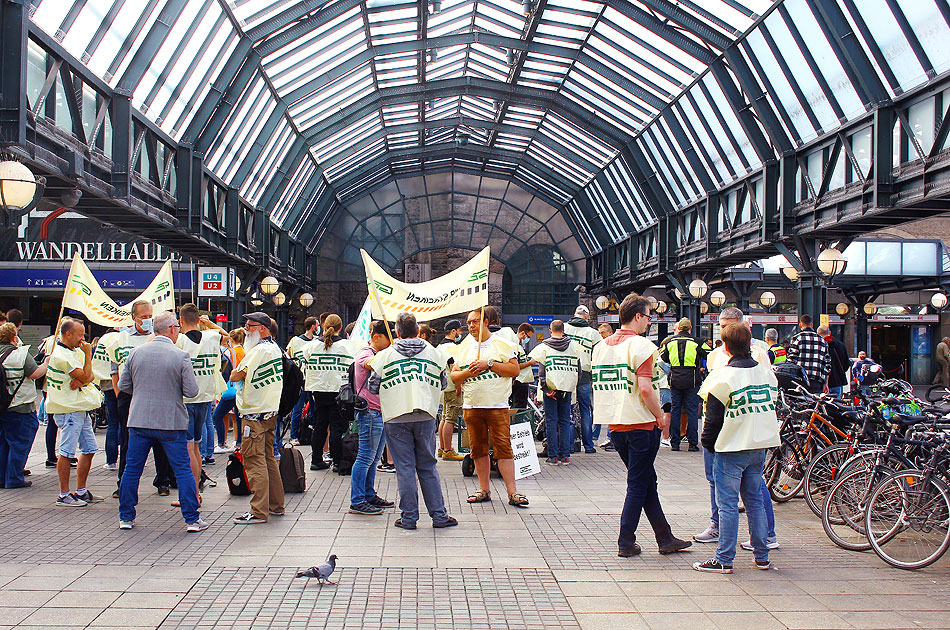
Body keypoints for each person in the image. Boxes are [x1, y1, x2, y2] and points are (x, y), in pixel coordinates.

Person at [591, 293, 691, 557]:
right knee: (638, 483)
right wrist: (660, 416)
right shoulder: (643, 346)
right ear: (637, 316)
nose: (649, 321)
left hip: (616, 425)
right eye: (648, 316)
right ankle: (626, 541)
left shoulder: (601, 347)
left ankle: (665, 537)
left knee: (647, 480)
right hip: (642, 424)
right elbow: (646, 388)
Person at [694, 323, 781, 573]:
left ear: (726, 346)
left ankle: (724, 558)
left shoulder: (722, 376)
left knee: (728, 505)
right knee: (754, 501)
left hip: (731, 447)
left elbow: (712, 419)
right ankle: (762, 556)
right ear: (750, 344)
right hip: (759, 446)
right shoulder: (766, 374)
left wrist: (708, 444)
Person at [117, 312, 207, 532]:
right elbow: (192, 391)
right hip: (171, 422)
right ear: (171, 329)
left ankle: (126, 517)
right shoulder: (180, 356)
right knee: (182, 470)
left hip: (139, 420)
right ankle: (191, 519)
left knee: (132, 470)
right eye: (176, 327)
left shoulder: (135, 353)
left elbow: (124, 385)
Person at [367, 312, 457, 530]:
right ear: (418, 331)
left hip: (396, 416)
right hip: (425, 414)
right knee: (427, 466)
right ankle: (439, 515)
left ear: (397, 333)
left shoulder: (385, 355)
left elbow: (372, 387)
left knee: (404, 468)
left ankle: (408, 518)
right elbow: (444, 383)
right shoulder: (434, 353)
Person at [452, 306, 528, 508]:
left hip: (497, 405)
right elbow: (454, 376)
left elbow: (514, 370)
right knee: (478, 449)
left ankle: (512, 492)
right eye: (468, 322)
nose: (471, 325)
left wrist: (490, 365)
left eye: (475, 321)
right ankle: (484, 489)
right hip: (472, 406)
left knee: (503, 448)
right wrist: (468, 373)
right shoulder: (464, 346)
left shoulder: (502, 344)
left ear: (486, 322)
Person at [109, 300, 174, 497]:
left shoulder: (159, 337)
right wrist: (120, 395)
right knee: (128, 440)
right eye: (143, 316)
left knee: (160, 440)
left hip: (156, 394)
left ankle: (162, 481)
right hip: (129, 396)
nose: (147, 320)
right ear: (133, 317)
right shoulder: (121, 339)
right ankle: (123, 483)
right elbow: (115, 370)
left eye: (150, 316)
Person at [229, 312, 285, 524]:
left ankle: (258, 510)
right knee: (269, 458)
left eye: (250, 326)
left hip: (253, 414)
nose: (246, 329)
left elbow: (235, 375)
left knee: (254, 460)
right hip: (270, 411)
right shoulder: (274, 349)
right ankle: (276, 505)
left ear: (262, 328)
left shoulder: (257, 351)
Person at [46, 318, 103, 506]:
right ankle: (63, 494)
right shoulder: (62, 355)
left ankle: (81, 490)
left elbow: (90, 375)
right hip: (68, 409)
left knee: (90, 449)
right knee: (67, 452)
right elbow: (87, 375)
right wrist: (88, 358)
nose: (82, 339)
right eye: (79, 334)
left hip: (79, 407)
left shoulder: (75, 352)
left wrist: (83, 378)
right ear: (68, 334)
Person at [176, 304, 228, 500]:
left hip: (185, 399)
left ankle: (190, 494)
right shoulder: (211, 337)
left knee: (188, 448)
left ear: (180, 321)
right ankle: (196, 491)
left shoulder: (179, 341)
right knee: (195, 446)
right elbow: (227, 336)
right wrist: (211, 323)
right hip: (206, 396)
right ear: (199, 320)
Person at [349, 320, 394, 515]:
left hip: (380, 412)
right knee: (365, 457)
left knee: (373, 458)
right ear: (376, 337)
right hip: (369, 412)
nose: (391, 343)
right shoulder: (365, 353)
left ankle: (368, 494)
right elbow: (369, 364)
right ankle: (357, 500)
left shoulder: (377, 353)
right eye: (388, 338)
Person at [303, 314, 355, 472]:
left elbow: (304, 359)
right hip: (337, 390)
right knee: (336, 426)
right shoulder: (346, 346)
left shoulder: (312, 346)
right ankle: (338, 461)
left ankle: (316, 459)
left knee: (319, 425)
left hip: (318, 389)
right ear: (340, 327)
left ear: (324, 327)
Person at [530, 319, 583, 465]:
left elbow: (542, 371)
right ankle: (565, 456)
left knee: (551, 422)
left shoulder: (544, 347)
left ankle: (552, 457)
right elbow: (579, 370)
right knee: (565, 422)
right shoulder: (573, 346)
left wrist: (546, 389)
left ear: (550, 331)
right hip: (567, 389)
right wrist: (572, 385)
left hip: (551, 391)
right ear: (564, 330)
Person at [0, 322, 46, 489]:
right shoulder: (19, 354)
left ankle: (2, 477)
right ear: (14, 337)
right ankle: (14, 478)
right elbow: (35, 373)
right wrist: (46, 363)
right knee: (20, 443)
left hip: (2, 406)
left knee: (3, 442)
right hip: (20, 405)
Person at [660, 318, 706, 452]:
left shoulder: (669, 342)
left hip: (675, 379)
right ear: (690, 328)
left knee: (675, 410)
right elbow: (708, 353)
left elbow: (664, 358)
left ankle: (675, 443)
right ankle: (692, 443)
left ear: (679, 328)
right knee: (692, 411)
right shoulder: (697, 342)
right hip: (692, 379)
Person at [565, 305, 601, 453]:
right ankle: (588, 445)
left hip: (566, 372)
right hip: (585, 374)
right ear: (587, 317)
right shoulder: (593, 333)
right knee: (585, 409)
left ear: (574, 314)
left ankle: (569, 445)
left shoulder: (564, 328)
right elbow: (599, 355)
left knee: (567, 409)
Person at [91, 328, 121, 470]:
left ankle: (111, 461)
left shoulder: (103, 340)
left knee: (113, 423)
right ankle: (128, 456)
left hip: (107, 384)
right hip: (121, 384)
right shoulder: (121, 339)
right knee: (127, 423)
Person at [286, 316, 318, 446]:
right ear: (312, 326)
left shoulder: (317, 341)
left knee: (313, 408)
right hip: (301, 379)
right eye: (317, 325)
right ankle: (294, 435)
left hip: (312, 379)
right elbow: (289, 355)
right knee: (297, 408)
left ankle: (310, 432)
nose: (318, 328)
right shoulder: (296, 341)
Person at [436, 319, 465, 461]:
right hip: (453, 387)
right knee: (451, 419)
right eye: (460, 331)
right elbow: (455, 368)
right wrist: (459, 386)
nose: (461, 333)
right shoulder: (452, 348)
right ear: (453, 332)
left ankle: (442, 448)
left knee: (444, 417)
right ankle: (448, 449)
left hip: (443, 387)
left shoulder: (439, 347)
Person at [212, 328, 245, 452]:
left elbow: (224, 370)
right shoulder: (244, 351)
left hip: (229, 387)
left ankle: (222, 443)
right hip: (240, 387)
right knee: (237, 416)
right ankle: (238, 442)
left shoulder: (228, 352)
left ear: (230, 339)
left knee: (218, 415)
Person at [786, 314, 831, 394]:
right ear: (812, 325)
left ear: (800, 325)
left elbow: (791, 361)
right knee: (815, 404)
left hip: (800, 381)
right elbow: (827, 364)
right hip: (816, 381)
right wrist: (826, 383)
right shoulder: (822, 340)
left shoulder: (797, 338)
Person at [511, 323, 537, 411]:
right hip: (519, 381)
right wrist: (530, 362)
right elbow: (515, 366)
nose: (528, 339)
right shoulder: (515, 346)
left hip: (520, 381)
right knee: (519, 409)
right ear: (522, 333)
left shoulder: (518, 346)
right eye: (528, 336)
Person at [817, 325, 849, 398]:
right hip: (837, 381)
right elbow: (846, 365)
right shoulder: (841, 345)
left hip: (821, 382)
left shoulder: (818, 345)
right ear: (830, 333)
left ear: (817, 334)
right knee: (836, 406)